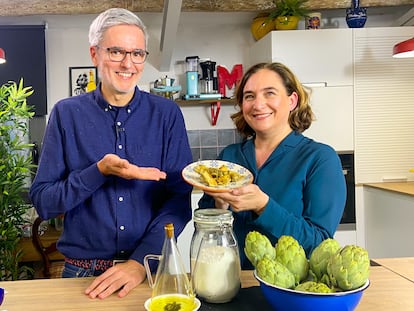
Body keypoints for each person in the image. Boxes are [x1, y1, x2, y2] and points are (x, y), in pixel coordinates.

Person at [30, 8, 193, 299]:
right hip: (82, 273)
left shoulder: (166, 114)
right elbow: (44, 202)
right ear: (95, 54)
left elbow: (179, 200)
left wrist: (139, 261)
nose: (128, 63)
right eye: (116, 51)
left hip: (151, 269)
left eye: (137, 53)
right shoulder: (66, 114)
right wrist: (99, 172)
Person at [198, 62, 346, 270]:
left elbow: (319, 243)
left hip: (288, 290)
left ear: (292, 100)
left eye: (269, 93)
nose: (258, 104)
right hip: (229, 282)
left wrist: (264, 206)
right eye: (249, 96)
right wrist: (219, 207)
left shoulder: (320, 159)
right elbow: (202, 228)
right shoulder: (229, 156)